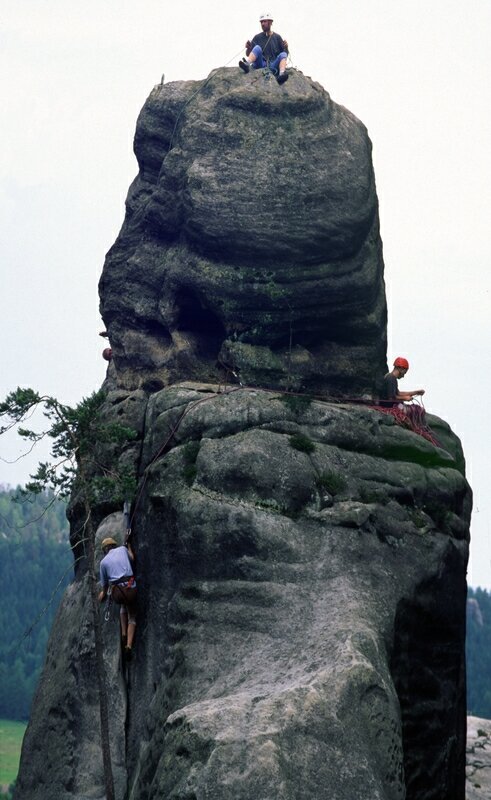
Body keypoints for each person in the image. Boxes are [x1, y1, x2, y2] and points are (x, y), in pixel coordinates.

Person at [98, 537, 137, 660]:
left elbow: (104, 586)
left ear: (105, 550)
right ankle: (129, 645)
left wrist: (103, 594)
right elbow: (132, 558)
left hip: (118, 593)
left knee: (122, 605)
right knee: (132, 616)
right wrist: (129, 547)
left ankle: (123, 632)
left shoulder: (103, 562)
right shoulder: (123, 549)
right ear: (114, 545)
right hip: (130, 589)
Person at [239, 13, 289, 84]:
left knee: (283, 54)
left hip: (272, 65)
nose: (262, 24)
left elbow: (285, 54)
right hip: (260, 64)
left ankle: (281, 75)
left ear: (270, 22)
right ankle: (247, 65)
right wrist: (249, 48)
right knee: (257, 48)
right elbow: (248, 54)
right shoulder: (257, 37)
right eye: (261, 22)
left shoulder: (277, 37)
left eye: (264, 21)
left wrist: (286, 47)